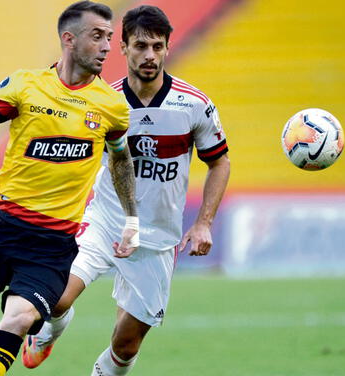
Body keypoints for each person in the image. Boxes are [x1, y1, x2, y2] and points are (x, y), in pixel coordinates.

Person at [0, 2, 139, 375]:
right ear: (68, 39)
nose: (108, 46)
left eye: (110, 38)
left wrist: (132, 218)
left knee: (17, 320)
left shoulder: (112, 105)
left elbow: (121, 159)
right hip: (1, 228)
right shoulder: (26, 84)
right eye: (98, 36)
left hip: (52, 243)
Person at [21, 6, 230, 375]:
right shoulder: (103, 101)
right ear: (123, 47)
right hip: (105, 222)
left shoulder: (194, 104)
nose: (149, 55)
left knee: (126, 343)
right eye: (140, 46)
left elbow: (220, 162)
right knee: (54, 299)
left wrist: (203, 223)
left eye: (157, 46)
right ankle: (49, 332)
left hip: (158, 238)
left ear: (167, 48)